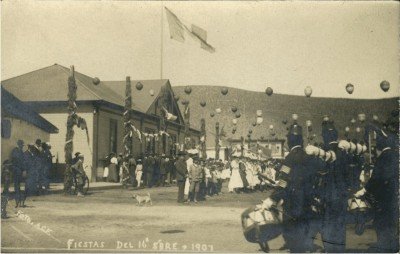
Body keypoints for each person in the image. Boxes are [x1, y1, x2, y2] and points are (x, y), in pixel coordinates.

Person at [259, 120, 312, 252]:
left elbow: (283, 182)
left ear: (291, 141)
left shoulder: (289, 158)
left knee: (294, 239)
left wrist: (272, 199)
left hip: (292, 203)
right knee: (303, 237)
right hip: (307, 202)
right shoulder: (308, 157)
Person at [365, 121, 399, 252]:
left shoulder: (384, 157)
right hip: (392, 196)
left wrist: (365, 189)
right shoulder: (394, 155)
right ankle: (391, 245)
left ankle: (384, 246)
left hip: (384, 198)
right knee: (391, 221)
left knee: (382, 222)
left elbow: (376, 178)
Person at [319, 117, 348, 252]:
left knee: (328, 226)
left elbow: (321, 176)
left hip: (329, 196)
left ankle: (330, 250)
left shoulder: (325, 153)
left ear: (324, 136)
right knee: (340, 225)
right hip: (342, 195)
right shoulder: (344, 153)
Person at [10, 140, 26, 207]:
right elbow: (15, 161)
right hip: (16, 171)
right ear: (18, 144)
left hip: (20, 171)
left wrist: (23, 170)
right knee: (17, 187)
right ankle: (17, 201)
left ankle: (20, 202)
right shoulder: (15, 151)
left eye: (22, 145)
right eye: (21, 145)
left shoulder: (21, 152)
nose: (22, 146)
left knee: (20, 187)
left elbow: (23, 161)